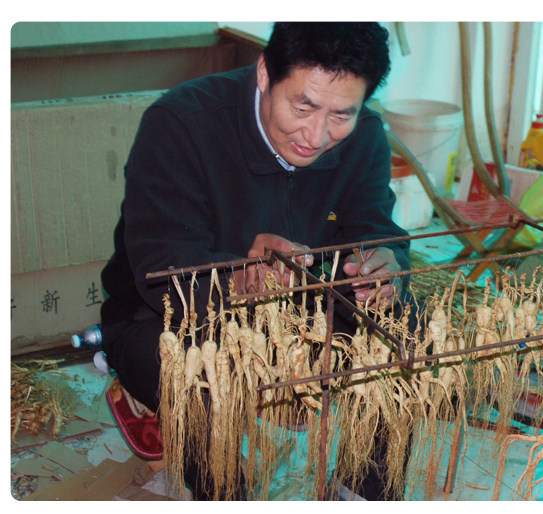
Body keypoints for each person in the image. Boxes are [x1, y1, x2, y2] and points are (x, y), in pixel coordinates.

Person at [100, 22, 413, 500]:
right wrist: (240, 278)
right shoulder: (181, 123)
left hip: (303, 308)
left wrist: (384, 265)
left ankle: (362, 492)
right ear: (265, 73)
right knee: (203, 379)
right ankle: (222, 487)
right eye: (302, 107)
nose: (316, 135)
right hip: (173, 317)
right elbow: (158, 269)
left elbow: (376, 228)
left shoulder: (365, 135)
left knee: (407, 335)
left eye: (340, 114)